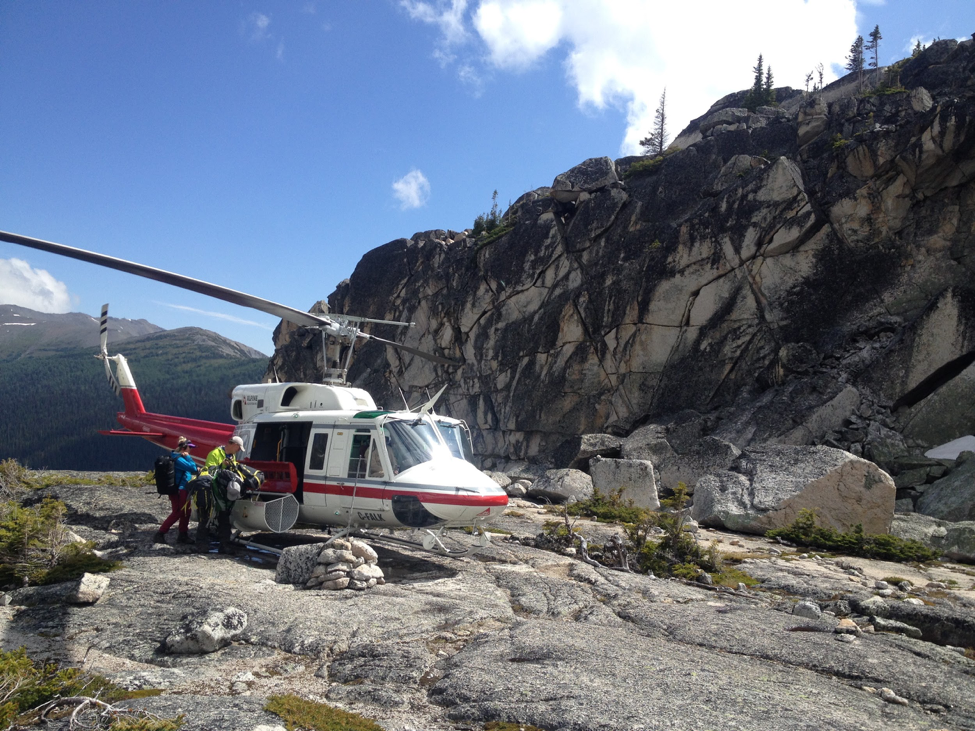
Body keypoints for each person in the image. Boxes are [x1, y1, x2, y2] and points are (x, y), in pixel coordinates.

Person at [196, 435, 244, 553]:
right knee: (206, 518)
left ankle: (225, 545)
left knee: (224, 518)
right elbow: (210, 470)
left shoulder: (232, 456)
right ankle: (201, 544)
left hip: (223, 492)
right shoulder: (215, 453)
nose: (238, 451)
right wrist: (222, 465)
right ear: (234, 445)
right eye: (238, 448)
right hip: (211, 490)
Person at [153, 437, 199, 545]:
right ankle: (160, 533)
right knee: (178, 512)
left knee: (186, 512)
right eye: (189, 448)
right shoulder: (179, 459)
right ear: (184, 448)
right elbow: (192, 468)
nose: (190, 450)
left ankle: (183, 535)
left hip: (183, 489)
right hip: (180, 490)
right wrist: (188, 458)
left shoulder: (176, 457)